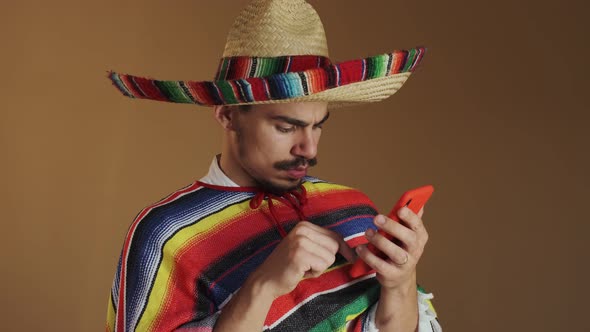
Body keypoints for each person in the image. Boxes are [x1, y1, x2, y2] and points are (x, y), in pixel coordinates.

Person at [106, 0, 441, 331]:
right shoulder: (165, 235)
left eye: (318, 125)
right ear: (227, 114)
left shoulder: (349, 207)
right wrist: (262, 286)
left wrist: (400, 282)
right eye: (286, 127)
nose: (307, 148)